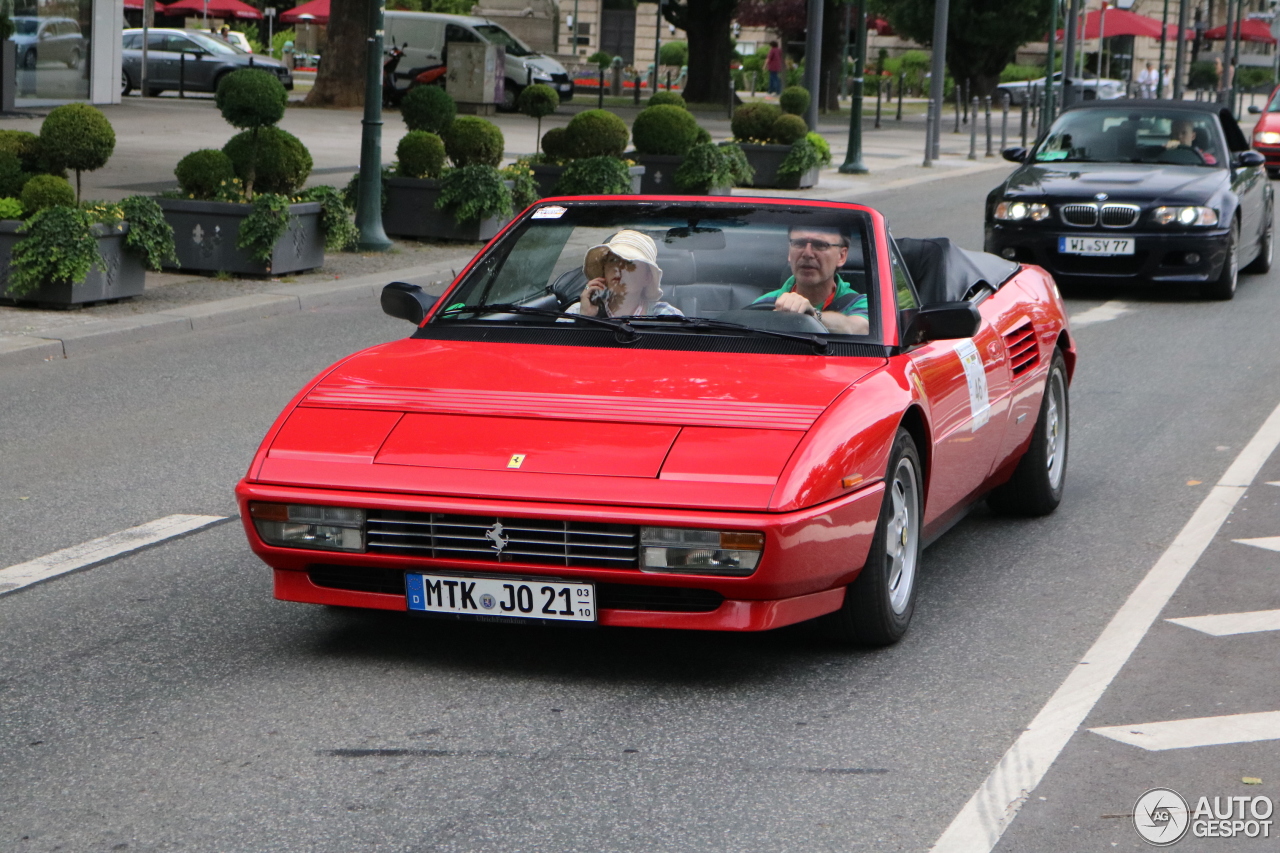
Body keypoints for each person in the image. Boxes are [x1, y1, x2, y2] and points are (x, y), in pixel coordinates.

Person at [751, 226, 869, 335]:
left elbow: (856, 327)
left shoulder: (863, 304)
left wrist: (812, 316)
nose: (807, 254)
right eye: (799, 243)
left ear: (841, 256)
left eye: (820, 245)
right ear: (789, 252)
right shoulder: (764, 304)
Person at [569, 230, 681, 318]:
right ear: (604, 272)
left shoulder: (666, 316)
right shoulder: (577, 312)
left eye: (629, 262)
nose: (619, 267)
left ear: (647, 277)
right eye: (613, 260)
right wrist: (585, 320)